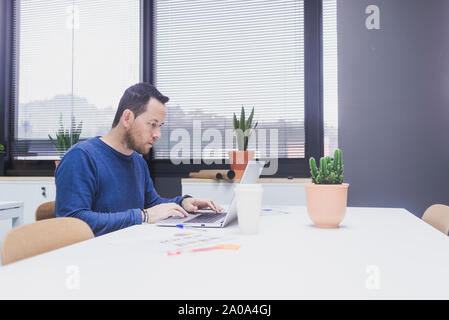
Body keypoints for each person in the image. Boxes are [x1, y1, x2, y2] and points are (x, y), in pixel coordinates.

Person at [55, 83, 221, 236]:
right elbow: (73, 222)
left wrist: (183, 202)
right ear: (127, 118)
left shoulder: (137, 161)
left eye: (160, 126)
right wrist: (143, 216)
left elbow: (152, 203)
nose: (158, 134)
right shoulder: (81, 157)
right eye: (152, 124)